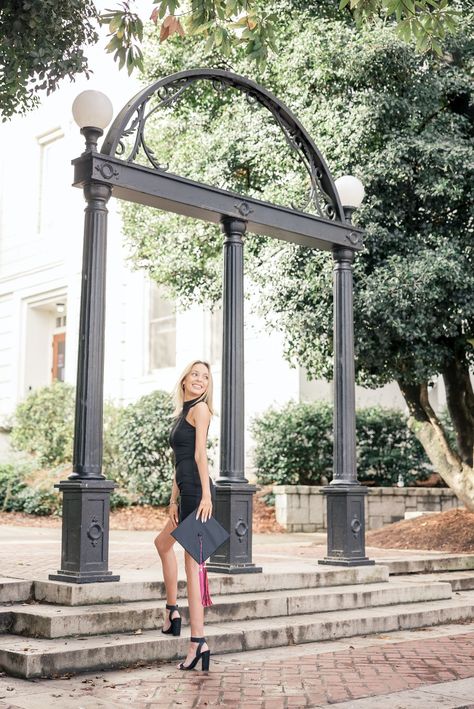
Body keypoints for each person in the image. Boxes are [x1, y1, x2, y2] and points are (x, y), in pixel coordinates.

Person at [154, 359, 215, 671]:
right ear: (184, 380)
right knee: (162, 544)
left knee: (194, 570)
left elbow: (199, 455)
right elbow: (179, 461)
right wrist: (173, 498)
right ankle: (172, 610)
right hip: (186, 491)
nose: (200, 380)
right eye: (195, 374)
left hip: (198, 493)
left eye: (205, 376)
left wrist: (205, 495)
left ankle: (197, 641)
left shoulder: (201, 409)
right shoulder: (183, 413)